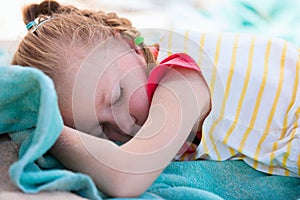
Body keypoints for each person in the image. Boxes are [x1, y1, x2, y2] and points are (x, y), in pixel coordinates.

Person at [11, 0, 299, 198]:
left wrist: (51, 130)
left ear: (128, 46)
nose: (124, 126)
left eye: (117, 96)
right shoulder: (141, 62)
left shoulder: (181, 79)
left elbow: (127, 177)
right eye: (99, 130)